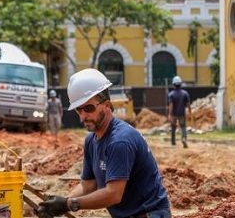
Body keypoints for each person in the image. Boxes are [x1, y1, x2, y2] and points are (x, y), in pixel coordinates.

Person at [37, 68, 171, 218]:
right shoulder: (91, 141)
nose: (83, 116)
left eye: (89, 108)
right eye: (78, 110)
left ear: (107, 105)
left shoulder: (119, 141)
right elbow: (88, 185)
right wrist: (61, 204)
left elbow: (113, 194)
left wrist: (68, 205)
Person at [168, 75, 191, 148]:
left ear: (173, 84)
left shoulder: (171, 94)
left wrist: (170, 114)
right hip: (182, 113)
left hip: (174, 114)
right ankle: (184, 138)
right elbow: (188, 104)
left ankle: (173, 142)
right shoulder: (185, 93)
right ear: (180, 84)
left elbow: (171, 105)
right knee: (183, 127)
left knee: (173, 127)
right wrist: (190, 112)